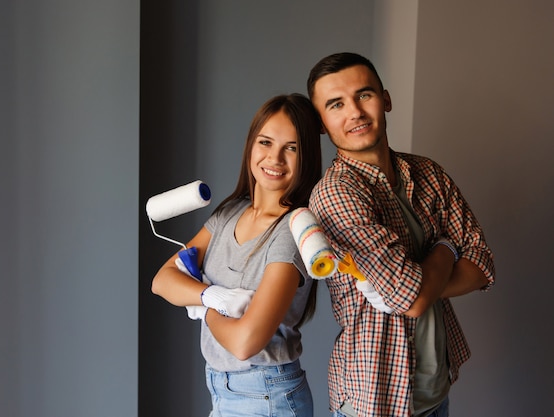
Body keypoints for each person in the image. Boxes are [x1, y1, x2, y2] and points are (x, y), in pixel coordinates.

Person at [305, 52, 496, 417]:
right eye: (336, 104)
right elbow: (412, 301)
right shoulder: (335, 194)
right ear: (321, 122)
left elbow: (482, 262)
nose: (355, 112)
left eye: (364, 95)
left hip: (435, 390)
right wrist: (444, 248)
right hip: (374, 398)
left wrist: (422, 283)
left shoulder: (428, 173)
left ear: (385, 99)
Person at [151, 93, 323, 416]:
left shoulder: (292, 232)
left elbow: (246, 342)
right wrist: (211, 295)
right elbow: (162, 280)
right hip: (222, 389)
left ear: (308, 158)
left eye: (292, 148)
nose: (275, 158)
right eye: (266, 142)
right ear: (250, 145)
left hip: (267, 397)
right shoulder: (229, 213)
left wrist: (205, 308)